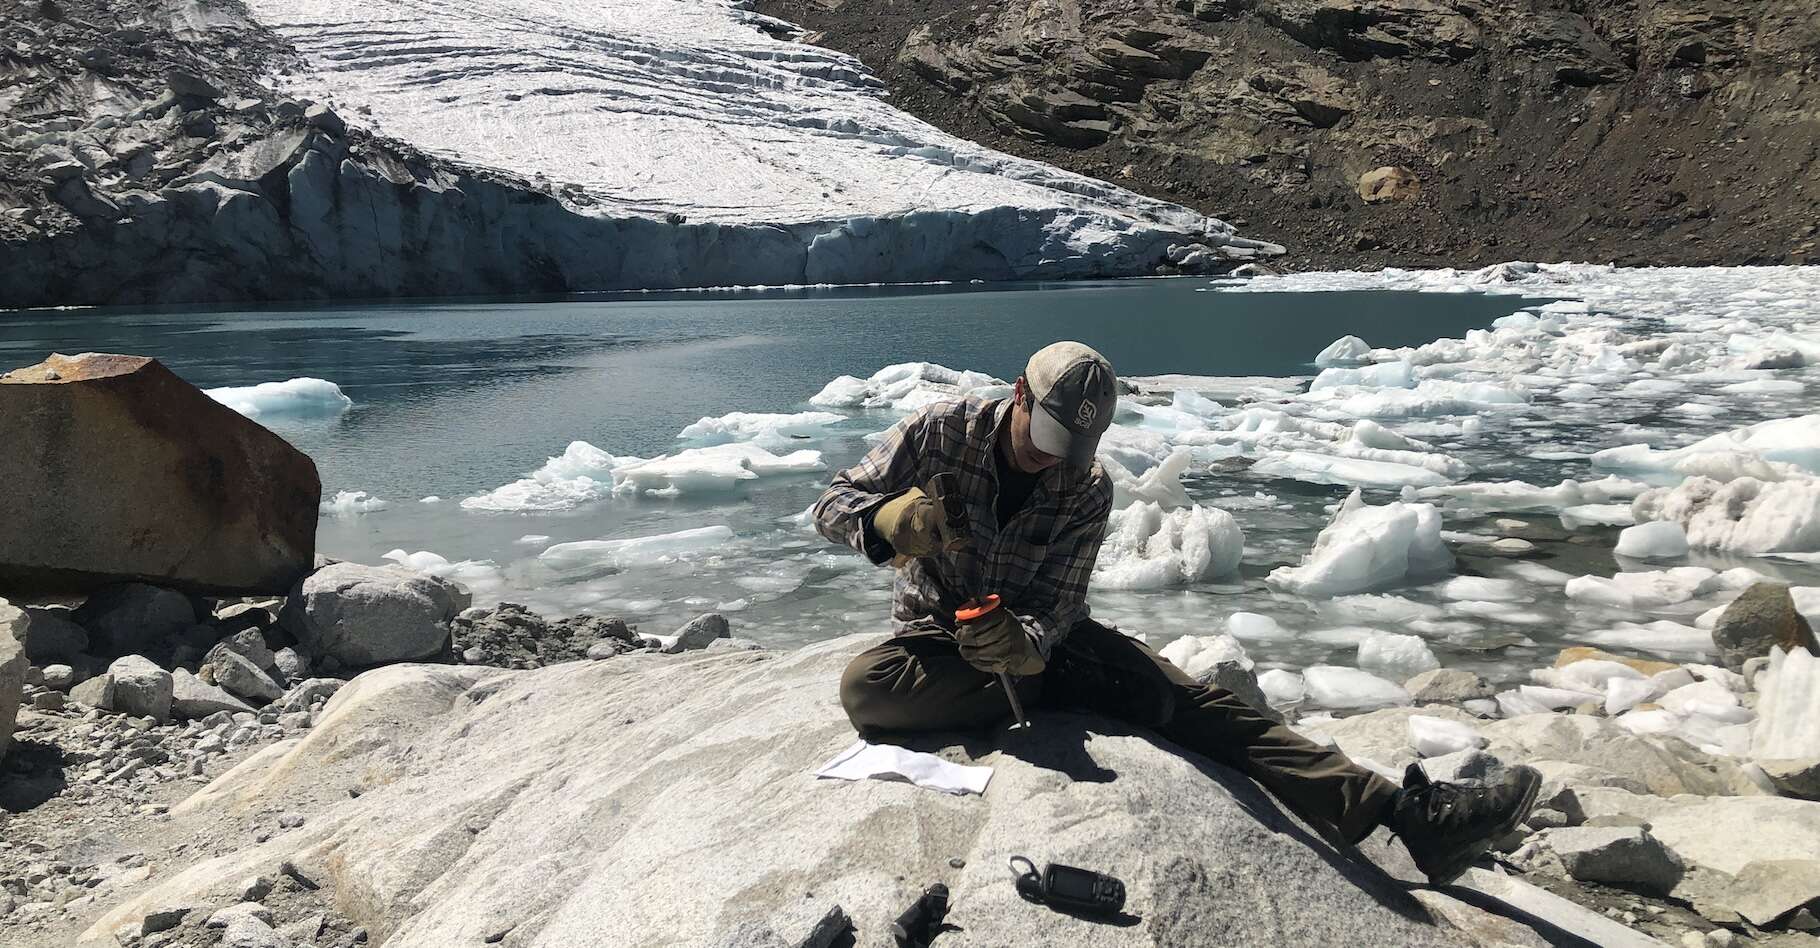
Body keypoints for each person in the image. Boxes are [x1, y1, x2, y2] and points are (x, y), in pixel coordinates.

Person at [811, 340, 1540, 886]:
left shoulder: (1083, 485)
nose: (1053, 460)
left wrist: (1028, 647)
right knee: (864, 691)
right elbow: (832, 502)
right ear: (1018, 396)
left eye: (1073, 448)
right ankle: (1045, 692)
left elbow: (1060, 603)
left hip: (1041, 647)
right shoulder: (940, 430)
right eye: (1046, 438)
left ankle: (1406, 817)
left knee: (1193, 704)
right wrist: (886, 524)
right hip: (937, 643)